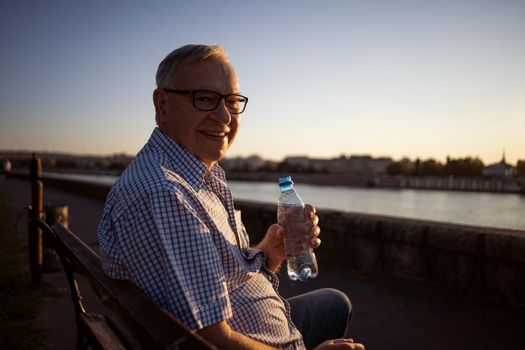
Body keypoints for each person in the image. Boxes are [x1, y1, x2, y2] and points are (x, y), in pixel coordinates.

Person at [98, 44, 365, 350]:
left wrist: (270, 252)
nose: (225, 115)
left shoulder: (192, 176)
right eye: (205, 99)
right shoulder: (165, 194)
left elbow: (219, 276)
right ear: (162, 105)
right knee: (337, 305)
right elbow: (210, 342)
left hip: (255, 325)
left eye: (232, 100)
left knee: (334, 301)